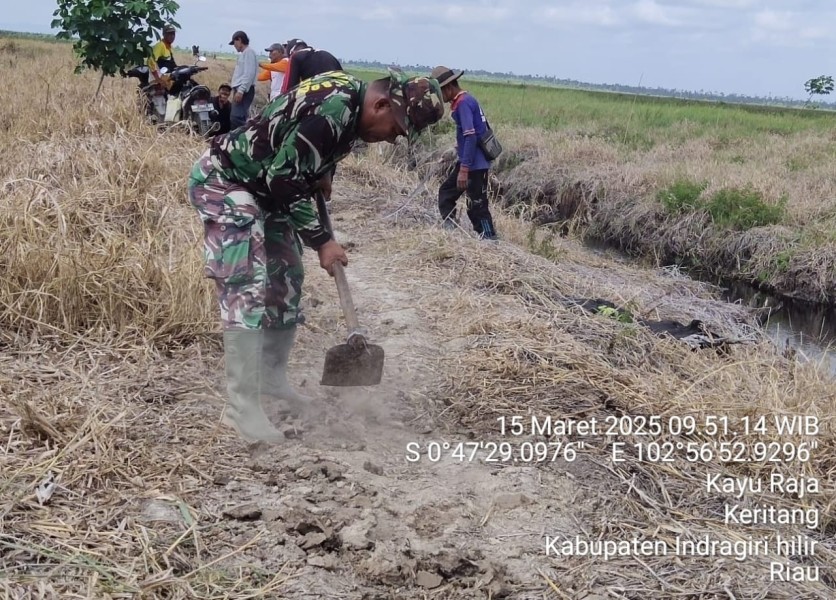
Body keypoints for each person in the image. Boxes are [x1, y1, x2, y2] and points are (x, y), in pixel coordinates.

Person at [187, 69, 444, 442]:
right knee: (247, 280)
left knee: (287, 272)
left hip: (264, 186)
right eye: (395, 128)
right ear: (382, 104)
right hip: (227, 179)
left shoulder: (350, 106)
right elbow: (283, 177)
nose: (391, 138)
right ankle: (241, 408)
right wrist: (323, 240)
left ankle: (271, 381)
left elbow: (304, 144)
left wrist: (325, 172)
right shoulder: (334, 108)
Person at [430, 65, 498, 240]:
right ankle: (451, 229)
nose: (440, 97)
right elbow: (469, 134)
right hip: (473, 161)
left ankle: (490, 239)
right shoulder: (467, 100)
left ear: (448, 88)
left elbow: (470, 136)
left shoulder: (463, 104)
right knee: (447, 192)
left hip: (473, 165)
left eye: (440, 92)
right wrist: (453, 152)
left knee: (477, 204)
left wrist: (464, 169)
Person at [228, 30, 259, 129]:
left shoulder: (249, 52)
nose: (234, 46)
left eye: (235, 43)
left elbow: (249, 73)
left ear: (239, 40)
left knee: (236, 117)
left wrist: (241, 90)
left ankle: (251, 132)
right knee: (240, 116)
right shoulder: (245, 53)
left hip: (244, 90)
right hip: (242, 89)